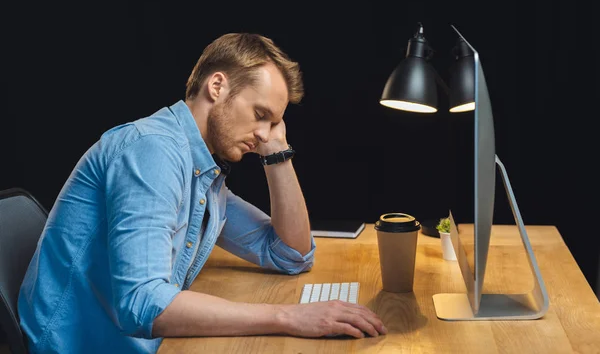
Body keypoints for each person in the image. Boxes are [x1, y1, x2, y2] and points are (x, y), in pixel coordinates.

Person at [17, 33, 387, 353]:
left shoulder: (202, 171)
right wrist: (288, 316)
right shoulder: (153, 153)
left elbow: (291, 254)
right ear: (217, 86)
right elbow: (143, 304)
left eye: (272, 122)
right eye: (260, 114)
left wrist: (277, 151)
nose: (263, 132)